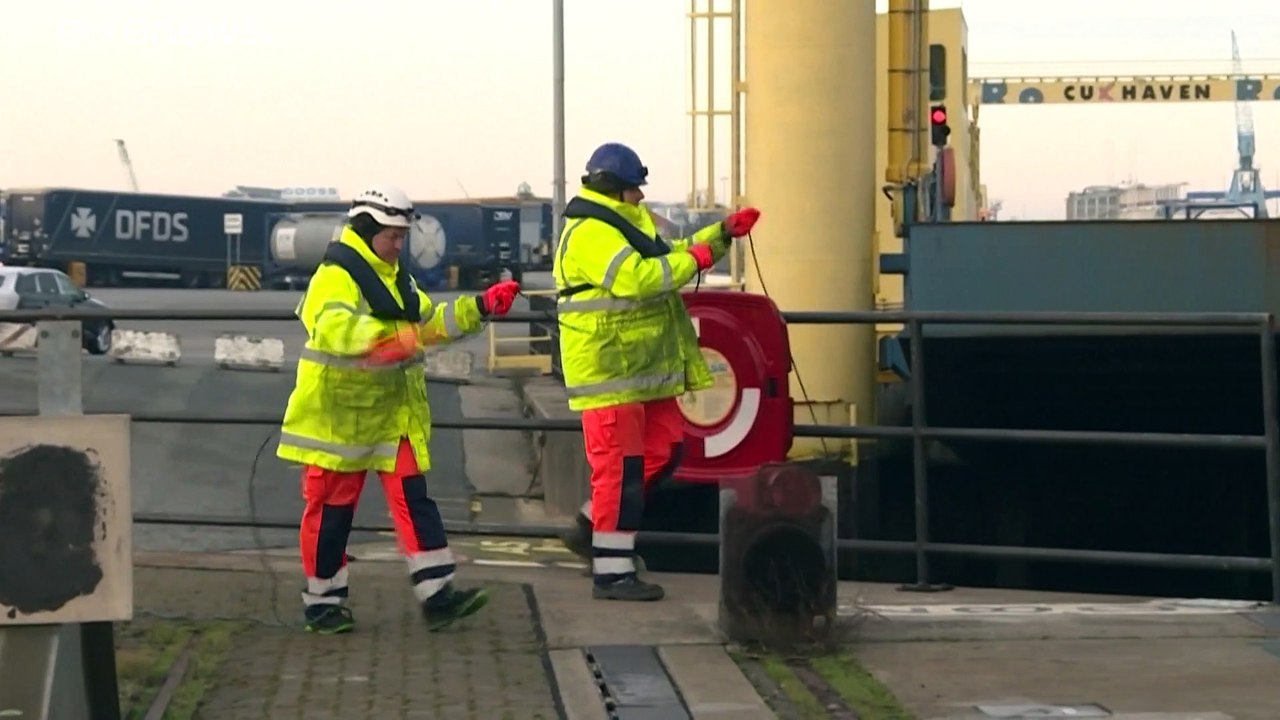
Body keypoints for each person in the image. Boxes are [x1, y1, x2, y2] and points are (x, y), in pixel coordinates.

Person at [276, 185, 521, 634]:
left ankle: (438, 595)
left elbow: (429, 324)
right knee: (332, 513)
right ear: (368, 231)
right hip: (338, 421)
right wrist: (402, 340)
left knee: (414, 499)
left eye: (403, 236)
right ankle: (323, 603)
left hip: (389, 417)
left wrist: (481, 307)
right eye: (393, 236)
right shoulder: (335, 277)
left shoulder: (394, 277)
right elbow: (339, 332)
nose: (400, 245)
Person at [553, 142, 762, 601]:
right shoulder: (591, 232)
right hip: (611, 371)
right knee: (619, 471)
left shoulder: (626, 224)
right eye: (634, 190)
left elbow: (674, 253)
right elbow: (642, 279)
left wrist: (721, 234)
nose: (641, 197)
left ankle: (592, 527)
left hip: (642, 370)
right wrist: (696, 261)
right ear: (614, 188)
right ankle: (612, 572)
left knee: (664, 451)